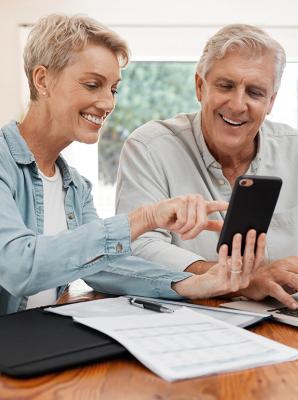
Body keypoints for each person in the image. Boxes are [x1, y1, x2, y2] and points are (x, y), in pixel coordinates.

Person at [0, 15, 266, 315]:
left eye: (113, 89)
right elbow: (17, 267)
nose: (107, 103)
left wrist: (191, 284)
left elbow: (103, 266)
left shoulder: (73, 185)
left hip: (31, 343)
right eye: (92, 85)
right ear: (42, 80)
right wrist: (144, 218)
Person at [116, 24, 298, 310]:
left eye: (255, 92)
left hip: (288, 319)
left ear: (271, 101)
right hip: (187, 321)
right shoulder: (150, 148)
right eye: (226, 86)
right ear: (200, 87)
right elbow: (135, 247)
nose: (238, 105)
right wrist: (235, 279)